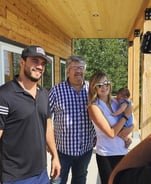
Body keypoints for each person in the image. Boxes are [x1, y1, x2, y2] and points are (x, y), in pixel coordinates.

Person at [0, 46, 60, 184]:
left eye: (43, 63)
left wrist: (55, 157)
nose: (40, 66)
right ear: (22, 62)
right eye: (35, 61)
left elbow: (47, 126)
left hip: (42, 173)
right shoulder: (4, 95)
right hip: (15, 176)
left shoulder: (44, 94)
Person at [49, 55, 96, 184]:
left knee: (80, 179)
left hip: (85, 149)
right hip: (62, 151)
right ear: (68, 71)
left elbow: (103, 112)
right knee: (57, 181)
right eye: (75, 68)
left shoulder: (92, 89)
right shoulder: (56, 91)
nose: (79, 71)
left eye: (81, 68)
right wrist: (47, 142)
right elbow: (44, 117)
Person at [87, 71, 134, 184]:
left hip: (123, 152)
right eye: (100, 85)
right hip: (107, 155)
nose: (104, 87)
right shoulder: (94, 107)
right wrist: (126, 115)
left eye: (106, 83)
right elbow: (111, 133)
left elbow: (131, 124)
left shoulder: (116, 102)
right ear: (94, 88)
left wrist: (128, 136)